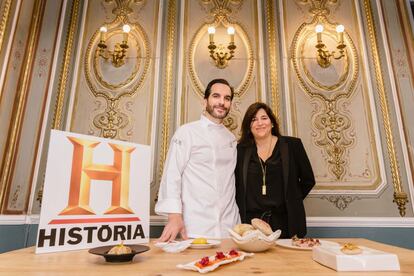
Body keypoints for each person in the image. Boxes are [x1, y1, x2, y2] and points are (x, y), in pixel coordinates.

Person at [155, 79, 241, 242]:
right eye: (216, 96)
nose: (222, 102)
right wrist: (174, 216)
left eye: (227, 98)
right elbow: (172, 175)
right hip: (195, 228)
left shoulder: (231, 139)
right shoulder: (186, 132)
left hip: (230, 228)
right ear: (205, 101)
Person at [235, 102, 315, 238]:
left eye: (264, 118)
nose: (259, 123)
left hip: (286, 221)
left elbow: (308, 180)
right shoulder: (240, 150)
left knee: (288, 259)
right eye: (254, 120)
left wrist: (292, 199)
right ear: (249, 126)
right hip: (251, 224)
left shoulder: (292, 146)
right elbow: (235, 184)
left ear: (272, 122)